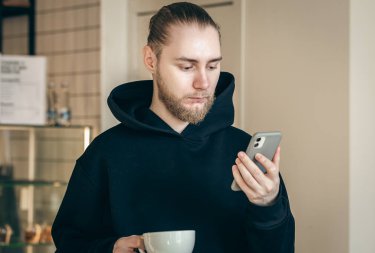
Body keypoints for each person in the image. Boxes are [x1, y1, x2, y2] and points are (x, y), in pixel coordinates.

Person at [52, 2, 295, 253]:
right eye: (187, 67)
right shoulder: (105, 153)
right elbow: (69, 243)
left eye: (212, 66)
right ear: (150, 59)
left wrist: (269, 206)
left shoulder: (243, 154)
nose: (203, 82)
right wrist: (110, 248)